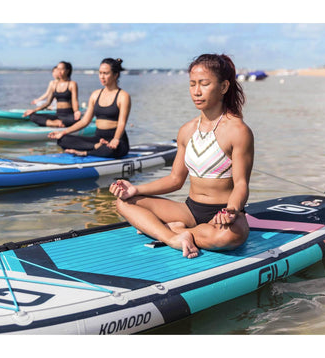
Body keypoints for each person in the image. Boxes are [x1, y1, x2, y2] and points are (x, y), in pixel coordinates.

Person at [109, 54, 254, 259]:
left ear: (223, 87)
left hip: (222, 214)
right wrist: (135, 189)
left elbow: (241, 184)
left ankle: (168, 230)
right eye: (192, 84)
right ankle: (173, 237)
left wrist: (231, 210)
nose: (196, 91)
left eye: (204, 84)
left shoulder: (238, 131)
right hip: (190, 210)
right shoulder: (186, 131)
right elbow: (175, 180)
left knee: (231, 237)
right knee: (123, 203)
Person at [48, 58, 131, 158]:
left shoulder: (123, 96)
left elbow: (122, 123)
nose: (102, 77)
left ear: (115, 75)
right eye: (100, 73)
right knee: (62, 140)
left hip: (116, 141)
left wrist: (116, 139)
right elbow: (84, 121)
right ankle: (97, 146)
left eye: (105, 73)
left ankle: (85, 152)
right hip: (97, 139)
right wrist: (63, 132)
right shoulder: (95, 95)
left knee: (110, 149)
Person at [23, 61, 81, 127]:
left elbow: (75, 100)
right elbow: (48, 102)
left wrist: (76, 111)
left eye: (62, 69)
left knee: (76, 119)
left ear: (67, 71)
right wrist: (34, 110)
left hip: (69, 115)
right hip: (58, 115)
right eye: (58, 69)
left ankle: (57, 123)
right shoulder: (54, 85)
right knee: (33, 116)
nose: (59, 72)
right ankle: (54, 123)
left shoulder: (72, 84)